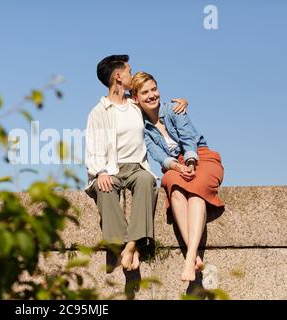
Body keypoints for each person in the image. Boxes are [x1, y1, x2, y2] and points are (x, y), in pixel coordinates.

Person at [85, 55, 188, 271]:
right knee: (105, 188)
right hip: (110, 168)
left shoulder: (134, 106)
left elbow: (156, 106)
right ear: (119, 76)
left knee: (145, 181)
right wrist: (100, 172)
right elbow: (93, 146)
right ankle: (121, 243)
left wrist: (181, 104)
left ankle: (131, 245)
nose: (132, 74)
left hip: (136, 167)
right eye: (129, 71)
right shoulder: (99, 112)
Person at [131, 71, 224, 281]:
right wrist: (178, 167)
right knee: (171, 184)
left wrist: (189, 161)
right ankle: (194, 258)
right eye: (145, 92)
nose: (152, 95)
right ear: (136, 98)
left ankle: (190, 258)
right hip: (175, 165)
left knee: (196, 189)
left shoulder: (174, 108)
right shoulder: (141, 127)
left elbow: (188, 138)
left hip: (201, 156)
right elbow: (158, 155)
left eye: (154, 89)